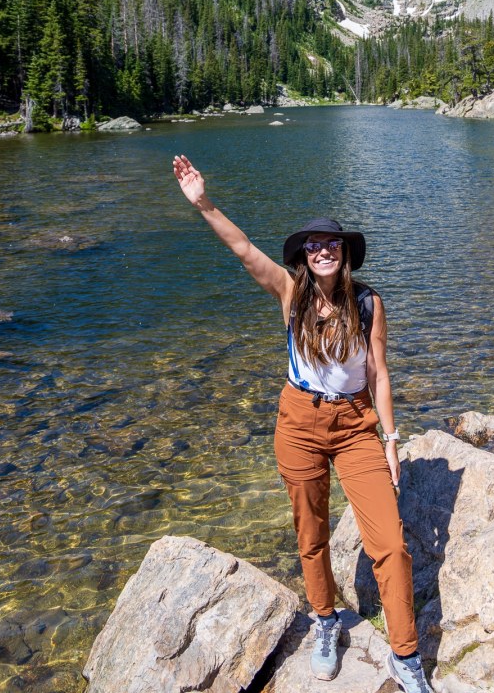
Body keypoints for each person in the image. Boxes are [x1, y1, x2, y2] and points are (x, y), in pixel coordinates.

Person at [172, 153, 432, 692]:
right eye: (313, 246)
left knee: (390, 543)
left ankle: (404, 656)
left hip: (358, 425)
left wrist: (390, 437)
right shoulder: (291, 295)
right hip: (298, 423)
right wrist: (204, 204)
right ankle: (325, 620)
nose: (322, 251)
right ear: (303, 257)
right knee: (310, 535)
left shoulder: (367, 303)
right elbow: (243, 249)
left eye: (331, 244)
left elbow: (380, 373)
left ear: (344, 253)